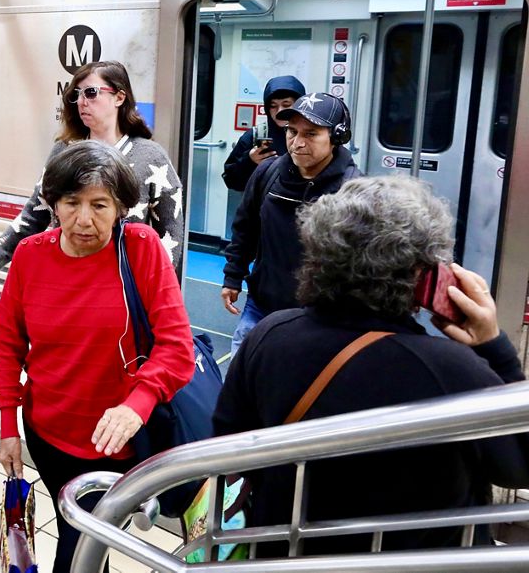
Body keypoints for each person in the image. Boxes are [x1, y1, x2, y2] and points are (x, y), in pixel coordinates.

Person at [214, 176, 529, 556]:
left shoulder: (269, 336)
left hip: (286, 556)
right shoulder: (452, 371)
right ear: (422, 273)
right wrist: (493, 346)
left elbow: (228, 437)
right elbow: (520, 465)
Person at [0, 141, 194, 573]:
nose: (84, 220)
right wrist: (8, 424)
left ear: (121, 207)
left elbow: (177, 346)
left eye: (100, 205)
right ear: (53, 203)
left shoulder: (140, 247)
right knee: (81, 536)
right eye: (71, 202)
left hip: (118, 442)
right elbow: (8, 344)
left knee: (81, 544)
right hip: (47, 433)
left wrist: (136, 405)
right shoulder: (31, 255)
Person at [0, 61, 185, 280]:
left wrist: (155, 289)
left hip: (124, 287)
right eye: (77, 94)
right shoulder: (63, 151)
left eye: (91, 93)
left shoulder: (151, 157)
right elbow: (34, 215)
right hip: (64, 278)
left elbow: (170, 236)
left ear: (119, 97)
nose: (81, 101)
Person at [221, 93, 360, 357]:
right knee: (241, 385)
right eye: (291, 131)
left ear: (337, 138)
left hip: (319, 318)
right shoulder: (267, 173)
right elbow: (245, 228)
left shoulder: (352, 191)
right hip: (261, 306)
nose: (297, 143)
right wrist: (233, 276)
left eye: (311, 134)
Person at [221, 75, 305, 191]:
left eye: (286, 105)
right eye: (273, 106)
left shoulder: (311, 136)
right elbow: (231, 180)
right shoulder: (255, 136)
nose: (279, 111)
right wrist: (249, 161)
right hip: (264, 204)